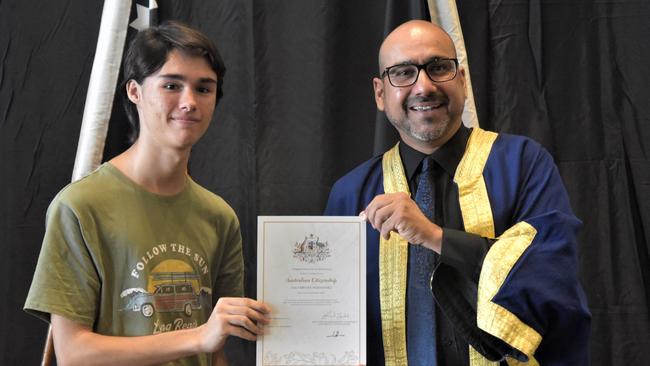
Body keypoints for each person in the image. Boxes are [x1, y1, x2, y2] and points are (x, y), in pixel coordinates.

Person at [325, 20, 590, 365]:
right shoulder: (350, 194)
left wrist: (435, 236)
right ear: (380, 93)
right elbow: (328, 312)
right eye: (403, 73)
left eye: (438, 68)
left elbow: (551, 275)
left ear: (462, 80)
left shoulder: (523, 163)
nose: (424, 86)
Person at [24, 21, 270, 366]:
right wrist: (198, 335)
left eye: (204, 88)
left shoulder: (219, 216)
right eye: (172, 85)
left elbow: (215, 352)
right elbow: (73, 353)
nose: (189, 102)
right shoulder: (79, 206)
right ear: (135, 92)